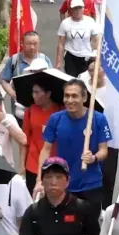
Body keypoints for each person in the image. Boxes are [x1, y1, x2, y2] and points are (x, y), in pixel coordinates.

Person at [36, 79, 112, 225]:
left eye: (74, 96)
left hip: (91, 184)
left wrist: (94, 158)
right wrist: (40, 180)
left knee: (91, 229)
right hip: (64, 184)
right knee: (66, 226)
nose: (70, 100)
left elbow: (104, 151)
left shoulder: (98, 119)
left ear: (84, 98)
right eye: (67, 96)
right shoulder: (55, 119)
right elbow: (45, 150)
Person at [81, 60, 119, 211]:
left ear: (103, 70)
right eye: (91, 70)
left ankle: (106, 208)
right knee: (91, 171)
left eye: (97, 69)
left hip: (110, 137)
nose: (94, 73)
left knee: (108, 174)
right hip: (89, 136)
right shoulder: (83, 88)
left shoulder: (112, 89)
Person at [0, 30, 53, 122]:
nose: (32, 47)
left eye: (35, 44)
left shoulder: (45, 60)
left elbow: (53, 79)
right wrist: (12, 93)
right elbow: (5, 80)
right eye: (28, 44)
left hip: (42, 106)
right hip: (20, 108)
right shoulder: (14, 61)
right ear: (22, 44)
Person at [21, 79, 63, 193]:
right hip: (32, 164)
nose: (33, 95)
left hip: (54, 164)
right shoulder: (30, 111)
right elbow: (25, 140)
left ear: (48, 94)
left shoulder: (61, 111)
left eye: (37, 92)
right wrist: (22, 166)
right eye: (33, 92)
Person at [56, 0, 100, 77]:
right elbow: (61, 43)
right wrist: (59, 61)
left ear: (83, 8)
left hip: (86, 56)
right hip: (71, 56)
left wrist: (95, 54)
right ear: (71, 10)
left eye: (80, 8)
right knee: (72, 81)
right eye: (75, 8)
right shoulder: (65, 23)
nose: (78, 10)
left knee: (85, 81)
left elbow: (96, 40)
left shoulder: (90, 21)